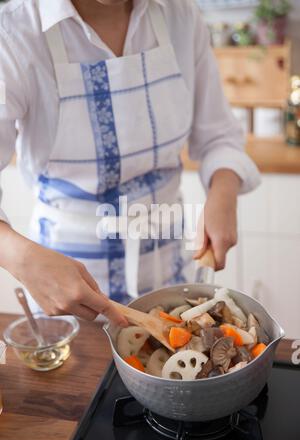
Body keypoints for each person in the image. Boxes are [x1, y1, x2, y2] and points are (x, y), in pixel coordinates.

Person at [0, 0, 260, 324]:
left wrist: (224, 195)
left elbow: (219, 136)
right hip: (67, 290)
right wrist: (19, 256)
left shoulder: (179, 14)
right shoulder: (13, 31)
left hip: (169, 276)